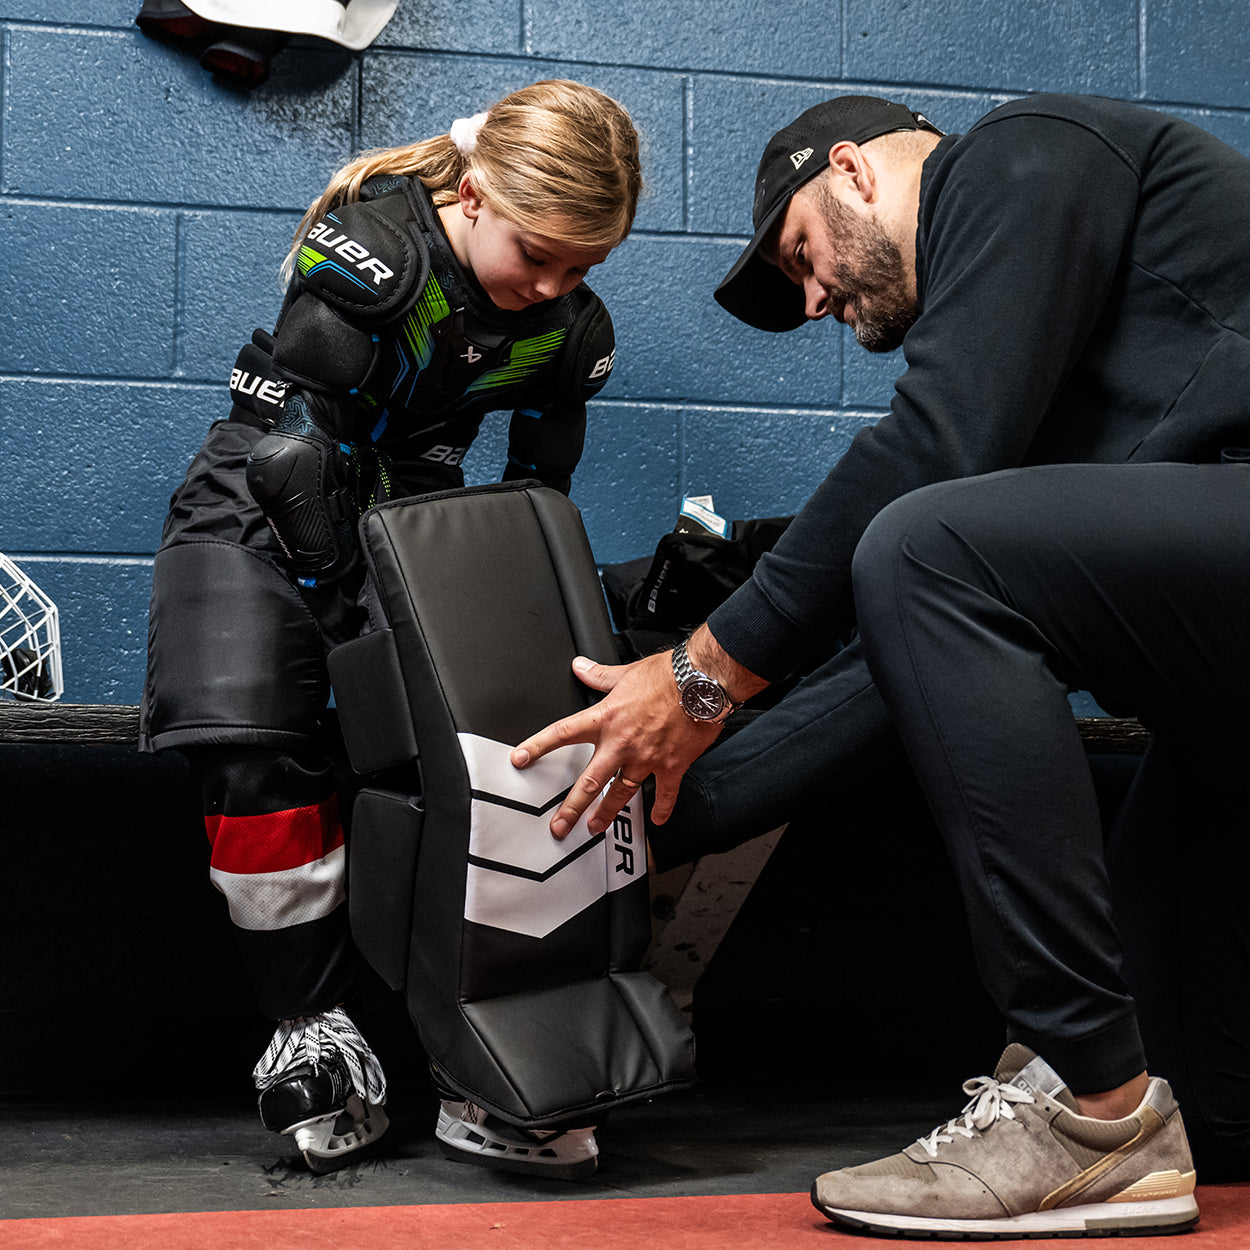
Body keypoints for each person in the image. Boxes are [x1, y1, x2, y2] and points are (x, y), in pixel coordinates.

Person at [511, 91, 1250, 1234]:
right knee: (1206, 1105)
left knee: (919, 537)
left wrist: (697, 674)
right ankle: (1130, 1107)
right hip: (1223, 713)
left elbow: (928, 465)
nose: (814, 301)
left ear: (852, 169)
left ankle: (1089, 1115)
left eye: (800, 255)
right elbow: (886, 659)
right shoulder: (1053, 399)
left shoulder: (1025, 154)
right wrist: (654, 809)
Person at [138, 79, 641, 1178]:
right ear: (472, 194)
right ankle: (307, 1029)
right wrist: (339, 611)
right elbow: (293, 458)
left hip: (409, 511)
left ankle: (487, 1055)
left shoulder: (568, 330)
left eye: (582, 266)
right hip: (263, 496)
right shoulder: (378, 250)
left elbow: (534, 504)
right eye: (537, 251)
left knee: (492, 757)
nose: (552, 285)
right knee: (248, 733)